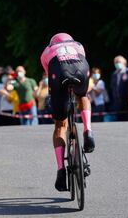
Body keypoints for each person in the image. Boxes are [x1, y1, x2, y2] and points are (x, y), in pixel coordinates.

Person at [40, 33, 95, 192]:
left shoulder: (48, 50)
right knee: (83, 96)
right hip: (80, 68)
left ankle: (60, 170)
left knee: (60, 125)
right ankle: (88, 131)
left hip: (59, 71)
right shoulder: (78, 45)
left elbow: (49, 72)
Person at [110, 56, 128, 121]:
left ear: (124, 62)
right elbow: (112, 87)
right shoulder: (114, 74)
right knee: (119, 119)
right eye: (115, 62)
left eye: (118, 62)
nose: (117, 64)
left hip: (127, 99)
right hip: (117, 100)